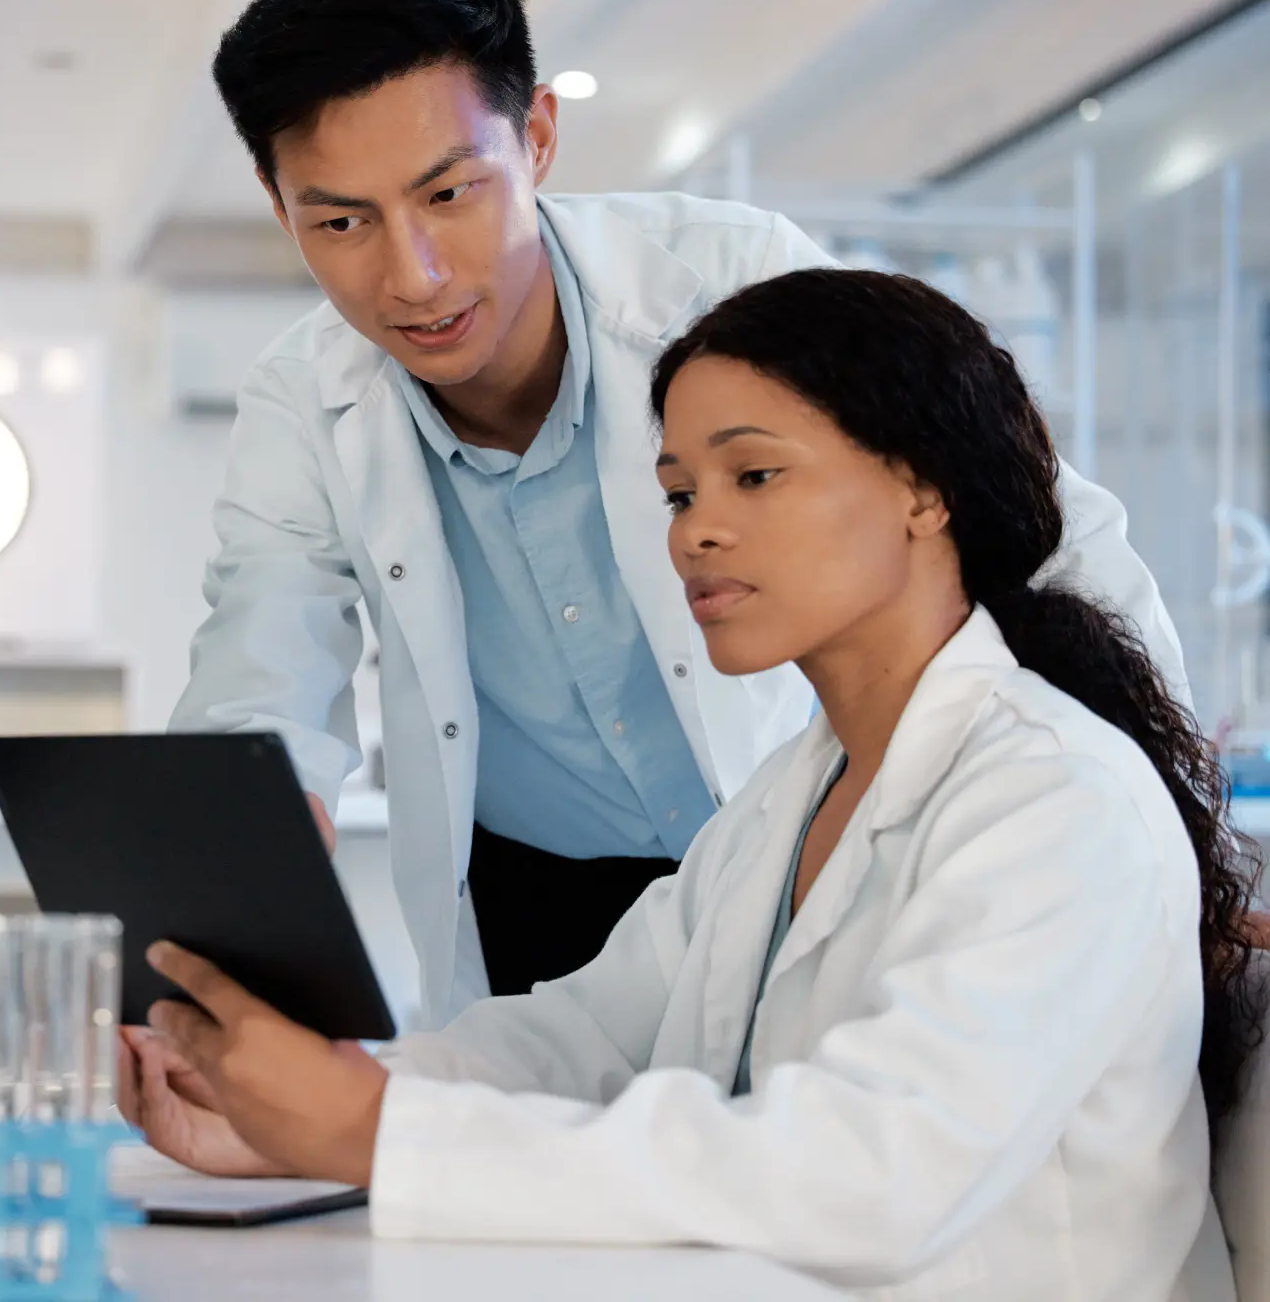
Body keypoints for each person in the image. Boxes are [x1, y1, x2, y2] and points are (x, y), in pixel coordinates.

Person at [124, 269, 1260, 1300]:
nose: (696, 534)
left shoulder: (1057, 800)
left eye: (752, 475)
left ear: (924, 491)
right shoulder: (791, 797)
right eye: (677, 493)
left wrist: (379, 1132)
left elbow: (875, 1172)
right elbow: (585, 1038)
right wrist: (305, 1104)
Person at [173, 0, 1187, 1027]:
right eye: (340, 221)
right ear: (283, 211)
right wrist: (245, 849)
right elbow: (258, 661)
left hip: (787, 844)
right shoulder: (301, 401)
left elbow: (1038, 527)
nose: (411, 274)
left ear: (539, 138)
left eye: (451, 194)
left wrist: (1169, 850)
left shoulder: (728, 286)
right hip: (533, 893)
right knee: (532, 1159)